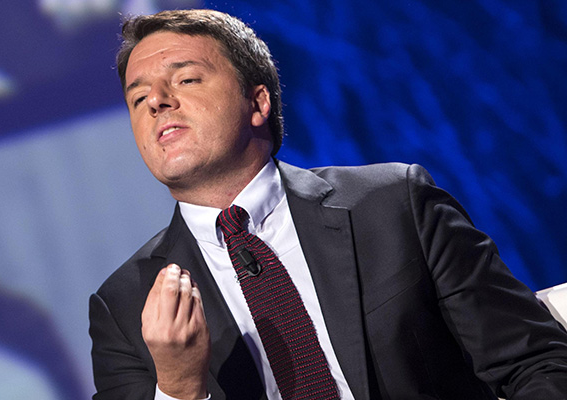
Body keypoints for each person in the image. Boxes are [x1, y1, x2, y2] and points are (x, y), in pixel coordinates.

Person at [89, 9, 567, 400]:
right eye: (138, 98)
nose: (157, 102)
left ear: (258, 103)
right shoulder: (124, 307)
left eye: (187, 79)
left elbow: (538, 362)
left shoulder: (395, 206)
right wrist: (178, 389)